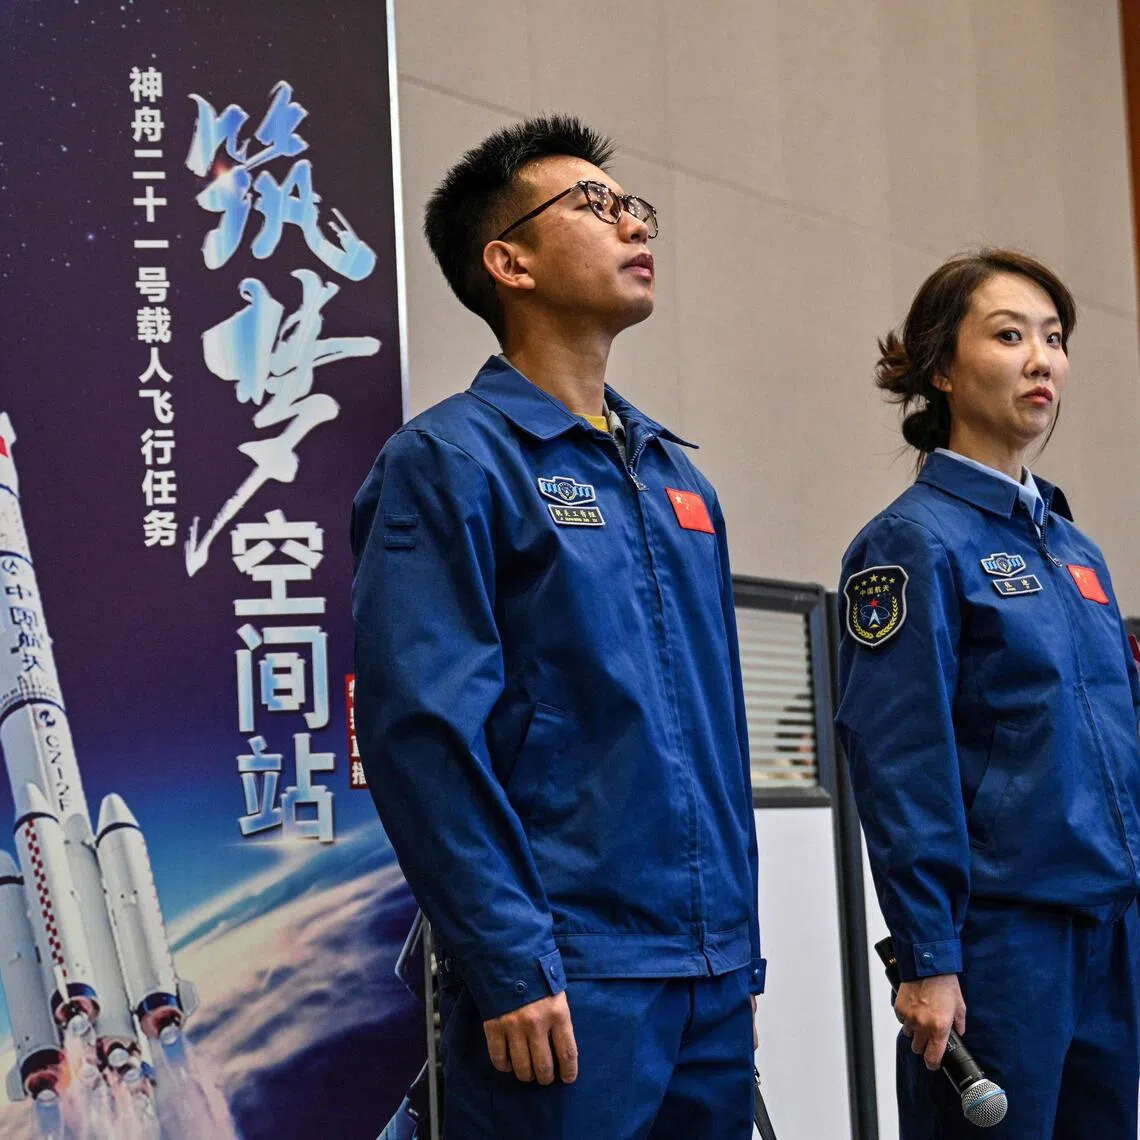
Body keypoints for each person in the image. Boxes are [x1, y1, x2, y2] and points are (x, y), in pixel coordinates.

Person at [352, 114, 764, 1139]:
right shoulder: (449, 463)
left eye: (631, 204)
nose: (630, 221)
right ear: (508, 261)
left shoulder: (682, 480)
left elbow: (713, 737)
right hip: (565, 979)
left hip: (706, 977)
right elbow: (423, 734)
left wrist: (735, 953)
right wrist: (506, 957)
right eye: (592, 205)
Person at [835, 248, 1140, 1138]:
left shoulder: (1076, 552)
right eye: (1009, 336)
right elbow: (901, 764)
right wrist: (928, 954)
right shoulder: (911, 544)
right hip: (998, 947)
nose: (1041, 358)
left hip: (1107, 932)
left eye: (1053, 338)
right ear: (940, 366)